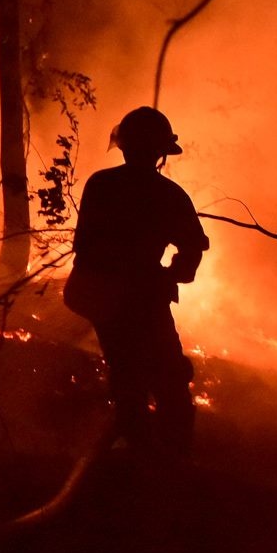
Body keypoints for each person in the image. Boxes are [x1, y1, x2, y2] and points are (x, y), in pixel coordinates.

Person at [64, 106, 209, 457]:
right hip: (140, 302)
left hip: (102, 298)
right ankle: (166, 464)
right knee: (169, 385)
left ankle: (139, 454)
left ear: (125, 148)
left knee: (130, 379)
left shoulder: (101, 185)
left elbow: (82, 246)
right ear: (161, 153)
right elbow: (193, 248)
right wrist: (171, 274)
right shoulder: (169, 196)